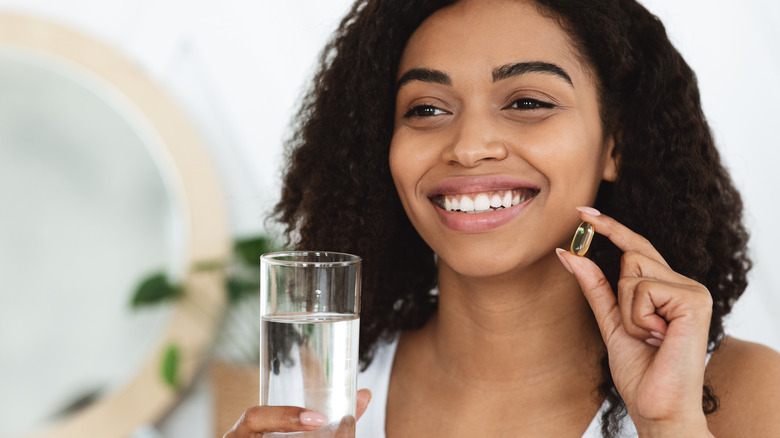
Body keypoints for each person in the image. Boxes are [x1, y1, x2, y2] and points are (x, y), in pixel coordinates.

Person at [225, 0, 780, 436]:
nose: (469, 147)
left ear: (616, 143)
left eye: (527, 102)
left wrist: (669, 428)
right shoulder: (313, 392)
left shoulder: (742, 393)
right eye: (426, 109)